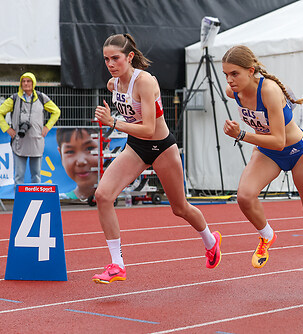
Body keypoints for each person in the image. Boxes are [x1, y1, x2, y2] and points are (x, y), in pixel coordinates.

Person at [92, 33, 221, 284]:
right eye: (106, 59)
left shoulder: (145, 82)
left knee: (180, 208)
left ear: (129, 57)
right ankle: (117, 265)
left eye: (115, 58)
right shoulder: (113, 84)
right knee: (102, 195)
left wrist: (113, 122)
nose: (110, 64)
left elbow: (150, 129)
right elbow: (137, 129)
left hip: (162, 147)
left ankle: (210, 240)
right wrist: (117, 120)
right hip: (136, 148)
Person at [222, 45, 303, 290]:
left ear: (251, 71)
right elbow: (269, 141)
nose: (230, 80)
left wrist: (242, 135)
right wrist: (250, 137)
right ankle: (267, 235)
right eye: (226, 74)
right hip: (268, 153)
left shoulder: (268, 91)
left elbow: (280, 140)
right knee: (244, 197)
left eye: (235, 74)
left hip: (297, 153)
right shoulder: (233, 91)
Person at [0, 72, 61, 184]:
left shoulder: (41, 98)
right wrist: (7, 129)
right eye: (23, 81)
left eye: (29, 81)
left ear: (33, 83)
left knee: (36, 176)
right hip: (19, 142)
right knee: (19, 176)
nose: (26, 83)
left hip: (36, 142)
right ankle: (19, 201)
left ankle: (35, 199)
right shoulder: (14, 99)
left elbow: (56, 111)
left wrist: (47, 127)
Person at [56, 127, 99, 201]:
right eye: (70, 152)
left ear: (105, 147)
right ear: (60, 154)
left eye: (89, 148)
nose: (81, 161)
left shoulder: (113, 193)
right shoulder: (62, 198)